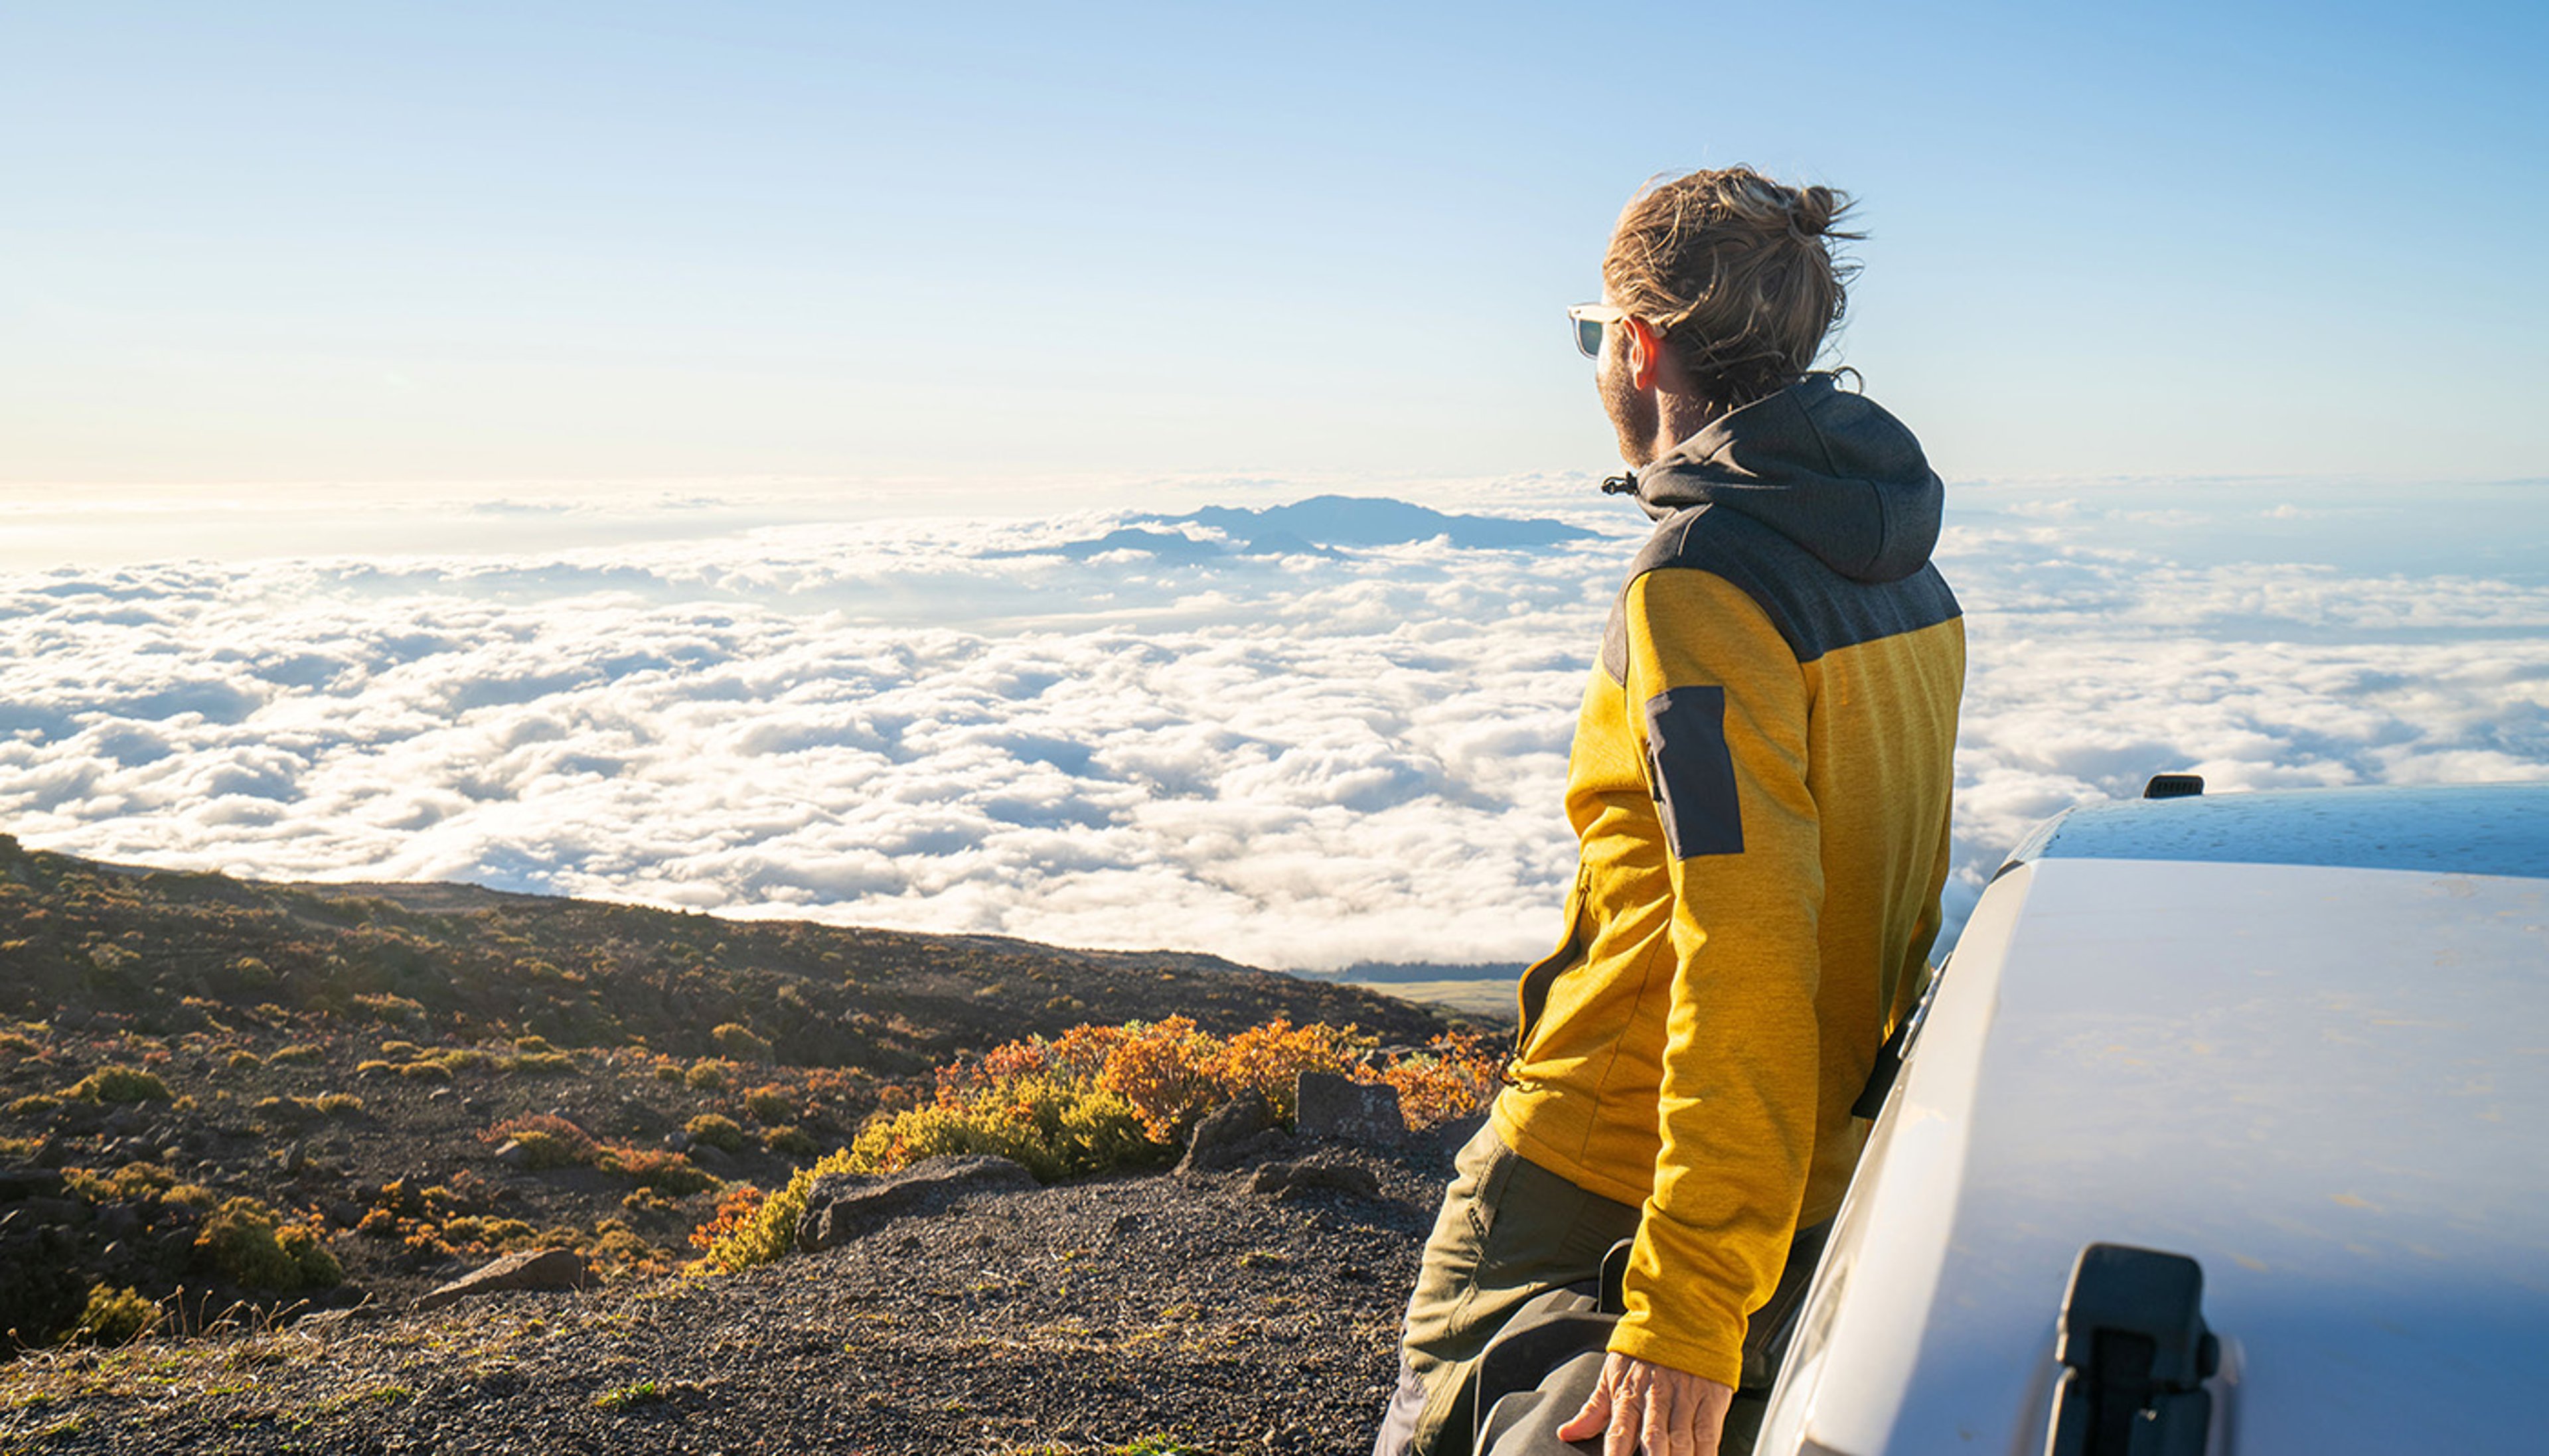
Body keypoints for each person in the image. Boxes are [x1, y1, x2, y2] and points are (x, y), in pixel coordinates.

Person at [1373, 168, 1964, 1456]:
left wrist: (1686, 1301)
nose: (1597, 364)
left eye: (1594, 334)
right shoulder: (1903, 571)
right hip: (1799, 1179)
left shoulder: (1697, 589)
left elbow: (1745, 942)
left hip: (1607, 1169)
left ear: (1639, 348)